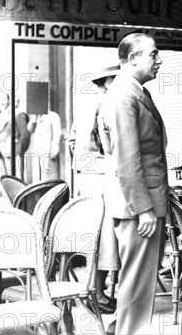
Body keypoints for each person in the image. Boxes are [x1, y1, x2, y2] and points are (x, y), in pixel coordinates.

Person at [98, 33, 169, 335]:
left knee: (136, 285)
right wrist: (143, 209)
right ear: (133, 59)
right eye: (154, 54)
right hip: (138, 207)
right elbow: (126, 159)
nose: (159, 60)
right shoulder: (124, 95)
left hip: (141, 202)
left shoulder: (133, 92)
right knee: (137, 287)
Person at [68, 63, 121, 314]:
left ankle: (92, 291)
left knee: (94, 238)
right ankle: (97, 294)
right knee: (105, 239)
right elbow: (111, 147)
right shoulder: (108, 106)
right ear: (107, 81)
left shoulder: (83, 107)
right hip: (102, 176)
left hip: (85, 177)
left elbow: (71, 141)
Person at [0, 93, 30, 180]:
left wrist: (20, 149)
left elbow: (25, 134)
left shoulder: (17, 114)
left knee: (16, 179)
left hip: (13, 151)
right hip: (2, 150)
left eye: (4, 100)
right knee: (4, 178)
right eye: (0, 100)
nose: (2, 102)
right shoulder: (0, 114)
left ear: (9, 100)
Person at [28, 106, 62, 182]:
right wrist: (33, 120)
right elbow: (29, 130)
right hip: (37, 149)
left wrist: (55, 149)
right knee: (36, 174)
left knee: (47, 175)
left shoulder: (53, 115)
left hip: (47, 148)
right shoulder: (35, 117)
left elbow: (57, 133)